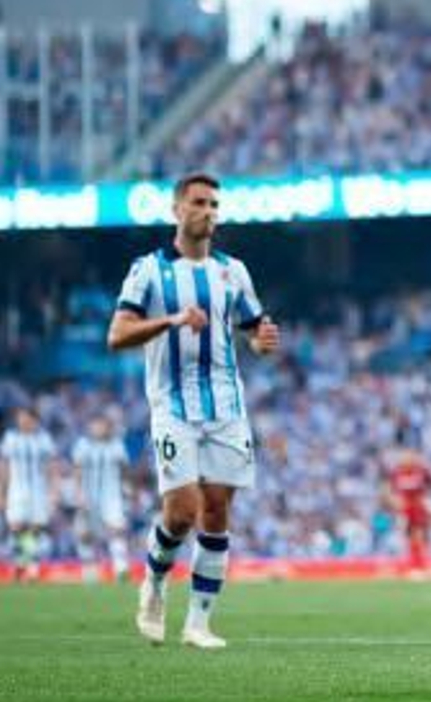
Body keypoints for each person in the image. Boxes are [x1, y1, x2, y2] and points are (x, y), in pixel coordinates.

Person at [108, 172, 281, 648]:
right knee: (182, 511)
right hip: (174, 407)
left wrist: (261, 341)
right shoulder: (148, 270)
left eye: (214, 205)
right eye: (199, 203)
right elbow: (117, 335)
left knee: (218, 510)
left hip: (226, 407)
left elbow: (251, 327)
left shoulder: (233, 270)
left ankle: (199, 623)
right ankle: (155, 582)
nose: (208, 212)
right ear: (176, 210)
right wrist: (172, 320)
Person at [71, 415, 131, 583]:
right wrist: (78, 493)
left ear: (108, 427)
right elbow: (76, 470)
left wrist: (127, 488)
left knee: (117, 529)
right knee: (84, 534)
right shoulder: (83, 445)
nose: (98, 429)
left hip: (112, 496)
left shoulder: (117, 446)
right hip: (88, 496)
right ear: (90, 427)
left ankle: (121, 569)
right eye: (95, 425)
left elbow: (125, 469)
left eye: (102, 426)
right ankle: (89, 572)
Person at [1, 406, 55, 583]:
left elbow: (51, 468)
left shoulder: (44, 439)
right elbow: (4, 467)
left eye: (25, 417)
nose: (22, 421)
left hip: (38, 490)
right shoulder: (11, 438)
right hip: (17, 489)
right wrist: (2, 492)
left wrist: (53, 492)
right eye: (20, 417)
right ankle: (22, 565)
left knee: (36, 528)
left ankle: (28, 567)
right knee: (16, 526)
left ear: (34, 419)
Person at [386, 447, 431, 575]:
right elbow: (389, 490)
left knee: (421, 537)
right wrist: (394, 502)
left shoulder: (421, 471)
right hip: (405, 509)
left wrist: (427, 499)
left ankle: (422, 565)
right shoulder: (397, 472)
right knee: (409, 538)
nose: (408, 458)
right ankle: (414, 566)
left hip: (419, 507)